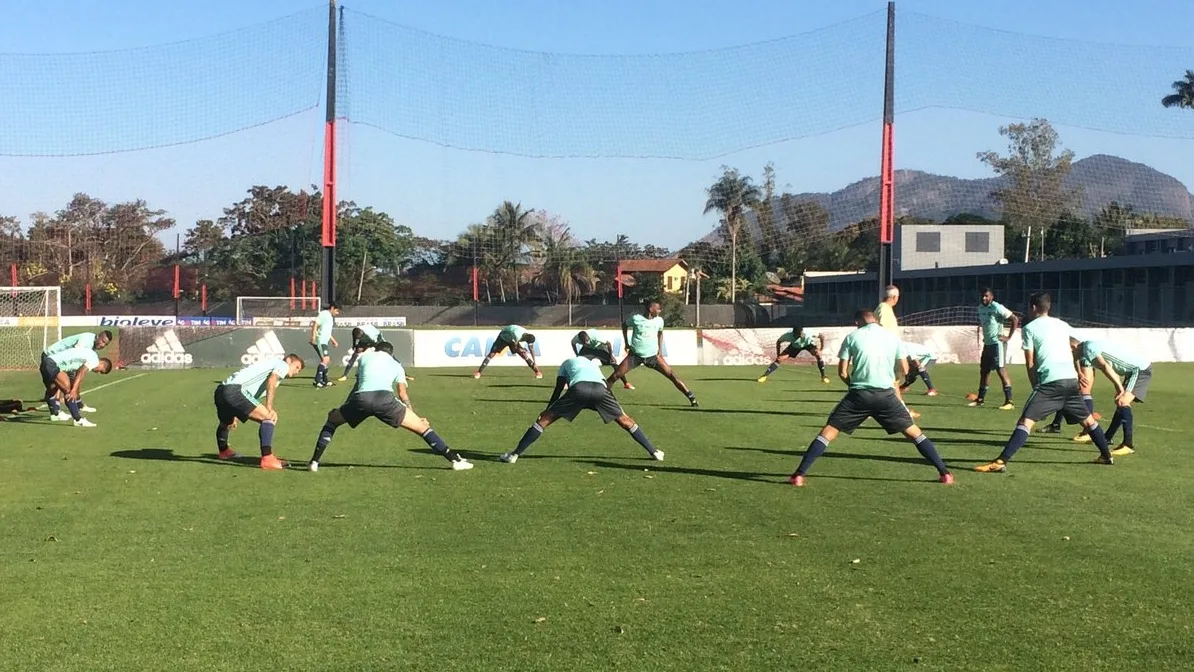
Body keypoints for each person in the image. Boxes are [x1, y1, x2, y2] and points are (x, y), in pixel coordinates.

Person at [789, 310, 952, 487]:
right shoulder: (892, 338)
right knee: (915, 434)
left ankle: (798, 475)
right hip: (886, 395)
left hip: (859, 395)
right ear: (875, 320)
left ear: (857, 322)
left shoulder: (852, 337)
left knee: (828, 432)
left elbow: (842, 372)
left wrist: (853, 387)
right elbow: (905, 370)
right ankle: (945, 473)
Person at [975, 293, 1115, 473]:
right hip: (1070, 380)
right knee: (1088, 421)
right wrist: (1078, 371)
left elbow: (1030, 361)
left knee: (1026, 421)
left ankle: (1001, 461)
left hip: (1050, 382)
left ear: (1033, 307)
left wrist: (1035, 385)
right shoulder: (1063, 325)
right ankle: (1106, 455)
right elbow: (1076, 346)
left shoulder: (1030, 328)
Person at [310, 342, 473, 472]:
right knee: (423, 428)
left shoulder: (365, 358)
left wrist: (344, 407)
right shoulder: (396, 365)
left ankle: (314, 462)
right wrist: (415, 417)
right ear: (391, 353)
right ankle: (454, 460)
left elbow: (358, 386)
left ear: (376, 349)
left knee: (332, 421)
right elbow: (402, 394)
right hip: (385, 399)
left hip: (361, 399)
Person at [501, 353, 663, 464]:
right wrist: (618, 408)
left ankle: (514, 455)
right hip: (601, 391)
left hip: (579, 390)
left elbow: (559, 388)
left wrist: (548, 409)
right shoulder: (594, 366)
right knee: (626, 421)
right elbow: (606, 386)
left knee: (543, 421)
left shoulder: (566, 364)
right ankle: (654, 452)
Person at [213, 354, 305, 470]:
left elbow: (250, 395)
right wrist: (269, 408)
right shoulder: (282, 364)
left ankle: (224, 451)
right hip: (235, 391)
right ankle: (268, 458)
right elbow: (272, 380)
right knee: (269, 418)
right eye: (296, 367)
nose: (297, 372)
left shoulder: (268, 365)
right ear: (288, 360)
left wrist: (235, 411)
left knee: (226, 422)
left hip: (221, 390)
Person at [606, 301, 698, 407]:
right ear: (650, 309)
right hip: (635, 356)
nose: (659, 311)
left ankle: (691, 397)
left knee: (672, 375)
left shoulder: (659, 321)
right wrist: (626, 343)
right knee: (615, 376)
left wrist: (659, 349)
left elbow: (660, 333)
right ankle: (601, 398)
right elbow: (624, 325)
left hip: (653, 356)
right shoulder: (636, 319)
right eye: (657, 309)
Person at [1074, 337, 1151, 456]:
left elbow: (1105, 366)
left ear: (1074, 347)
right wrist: (1079, 372)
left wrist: (1119, 387)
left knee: (1122, 402)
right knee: (1120, 403)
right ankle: (1107, 438)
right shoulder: (1084, 348)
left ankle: (1128, 445)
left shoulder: (1088, 348)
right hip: (1132, 371)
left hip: (1139, 370)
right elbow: (1077, 359)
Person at [41, 330, 112, 417]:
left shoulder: (92, 346)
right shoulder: (86, 339)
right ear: (98, 336)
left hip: (60, 361)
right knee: (60, 385)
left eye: (105, 344)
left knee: (64, 384)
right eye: (103, 341)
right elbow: (75, 354)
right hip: (51, 356)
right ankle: (58, 412)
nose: (103, 345)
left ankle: (69, 408)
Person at [39, 347, 114, 428]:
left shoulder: (89, 353)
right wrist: (74, 390)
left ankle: (54, 415)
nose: (98, 373)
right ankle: (78, 420)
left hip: (46, 362)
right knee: (68, 391)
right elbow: (81, 372)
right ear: (102, 364)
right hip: (52, 364)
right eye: (101, 371)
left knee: (52, 389)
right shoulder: (94, 361)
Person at [970, 288, 1018, 410]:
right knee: (984, 371)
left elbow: (1014, 319)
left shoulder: (997, 307)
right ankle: (980, 399)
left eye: (986, 296)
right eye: (982, 296)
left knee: (1001, 370)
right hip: (988, 344)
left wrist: (1008, 337)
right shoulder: (980, 308)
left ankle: (1009, 401)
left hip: (998, 344)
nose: (983, 298)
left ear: (992, 296)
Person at [756, 326, 829, 383]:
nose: (797, 336)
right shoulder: (788, 335)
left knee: (818, 354)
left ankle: (824, 376)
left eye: (799, 335)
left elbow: (821, 336)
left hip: (808, 344)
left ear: (802, 332)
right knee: (779, 359)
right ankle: (764, 376)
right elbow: (778, 342)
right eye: (796, 335)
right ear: (793, 333)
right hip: (795, 346)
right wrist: (778, 354)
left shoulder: (809, 333)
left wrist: (821, 349)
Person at [474, 325, 542, 379]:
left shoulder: (529, 336)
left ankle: (538, 372)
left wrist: (535, 362)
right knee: (492, 354)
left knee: (524, 354)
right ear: (525, 339)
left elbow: (531, 349)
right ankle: (479, 372)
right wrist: (522, 349)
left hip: (512, 339)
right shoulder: (517, 335)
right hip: (503, 337)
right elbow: (515, 349)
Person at [309, 303, 341, 388]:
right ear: (332, 308)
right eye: (337, 311)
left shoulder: (330, 317)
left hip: (325, 342)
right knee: (326, 359)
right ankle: (317, 380)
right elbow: (315, 324)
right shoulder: (324, 314)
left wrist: (333, 341)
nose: (337, 313)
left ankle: (325, 380)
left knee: (325, 360)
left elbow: (327, 332)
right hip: (320, 340)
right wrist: (313, 337)